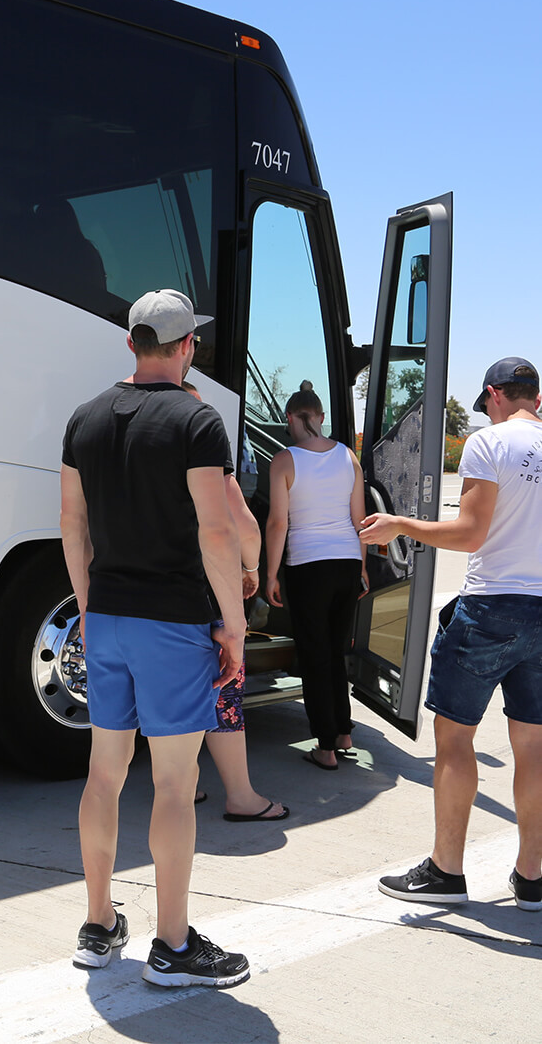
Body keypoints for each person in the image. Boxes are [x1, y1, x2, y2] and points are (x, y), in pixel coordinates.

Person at [60, 288, 251, 987]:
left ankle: (98, 923)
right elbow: (216, 529)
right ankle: (172, 946)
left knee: (103, 775)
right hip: (172, 622)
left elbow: (72, 525)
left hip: (105, 616)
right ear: (185, 346)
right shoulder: (196, 420)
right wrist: (232, 624)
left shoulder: (83, 419)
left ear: (132, 343)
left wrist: (87, 606)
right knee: (174, 784)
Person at [360, 357, 542, 911]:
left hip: (491, 608)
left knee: (456, 737)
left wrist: (399, 525)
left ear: (494, 395)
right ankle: (533, 877)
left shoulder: (491, 444)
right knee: (533, 745)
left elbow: (469, 533)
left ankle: (446, 870)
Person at [180, 382, 289, 821]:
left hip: (151, 593)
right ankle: (241, 797)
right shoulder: (201, 437)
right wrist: (250, 568)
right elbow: (241, 520)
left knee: (176, 689)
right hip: (205, 586)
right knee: (223, 688)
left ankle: (182, 785)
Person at [265, 388, 368, 771]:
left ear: (291, 418)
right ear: (320, 416)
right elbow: (359, 520)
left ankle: (324, 747)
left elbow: (279, 523)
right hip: (344, 563)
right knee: (335, 651)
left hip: (308, 565)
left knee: (314, 654)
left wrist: (270, 573)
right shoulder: (348, 456)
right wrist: (360, 568)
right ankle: (343, 732)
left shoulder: (284, 460)